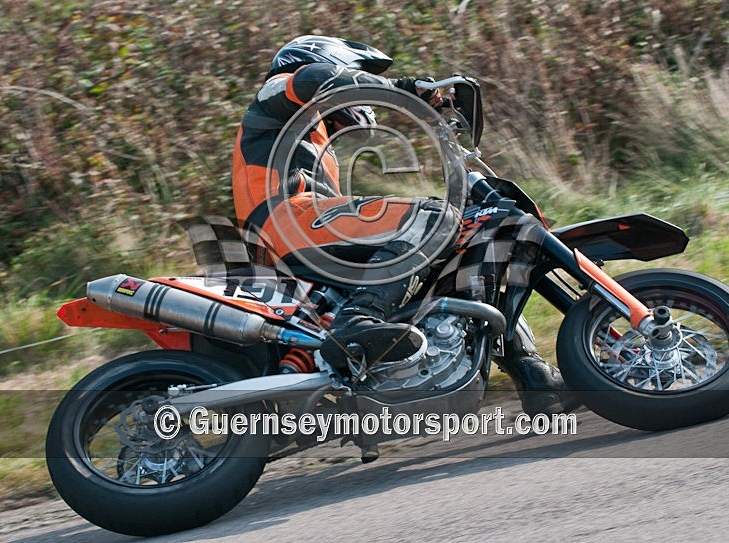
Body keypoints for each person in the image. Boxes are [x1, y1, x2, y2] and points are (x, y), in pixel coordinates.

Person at [232, 35, 575, 415]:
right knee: (432, 217)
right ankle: (357, 322)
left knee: (465, 253)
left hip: (299, 226)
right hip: (285, 223)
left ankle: (533, 374)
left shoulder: (311, 130)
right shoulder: (279, 91)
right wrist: (406, 89)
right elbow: (320, 80)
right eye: (353, 73)